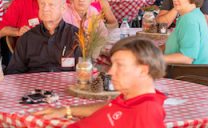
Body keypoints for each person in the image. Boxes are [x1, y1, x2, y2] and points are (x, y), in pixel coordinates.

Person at [36, 37, 167, 128]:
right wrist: (67, 110)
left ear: (143, 70)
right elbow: (110, 106)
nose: (110, 72)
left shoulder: (146, 111)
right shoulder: (130, 100)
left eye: (120, 65)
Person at [6, 0, 81, 74]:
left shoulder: (76, 36)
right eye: (42, 4)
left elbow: (84, 71)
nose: (45, 9)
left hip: (67, 86)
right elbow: (13, 72)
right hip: (33, 86)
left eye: (51, 5)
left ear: (63, 8)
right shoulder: (27, 38)